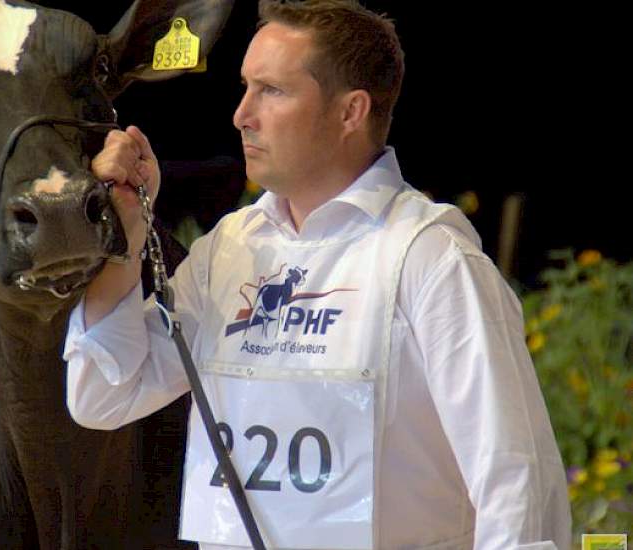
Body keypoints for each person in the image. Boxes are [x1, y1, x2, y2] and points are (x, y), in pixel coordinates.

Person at [63, 0, 571, 548]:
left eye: (272, 91)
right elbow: (102, 398)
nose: (241, 115)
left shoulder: (432, 258)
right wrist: (127, 235)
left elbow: (513, 477)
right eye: (244, 86)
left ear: (351, 111)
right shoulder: (229, 248)